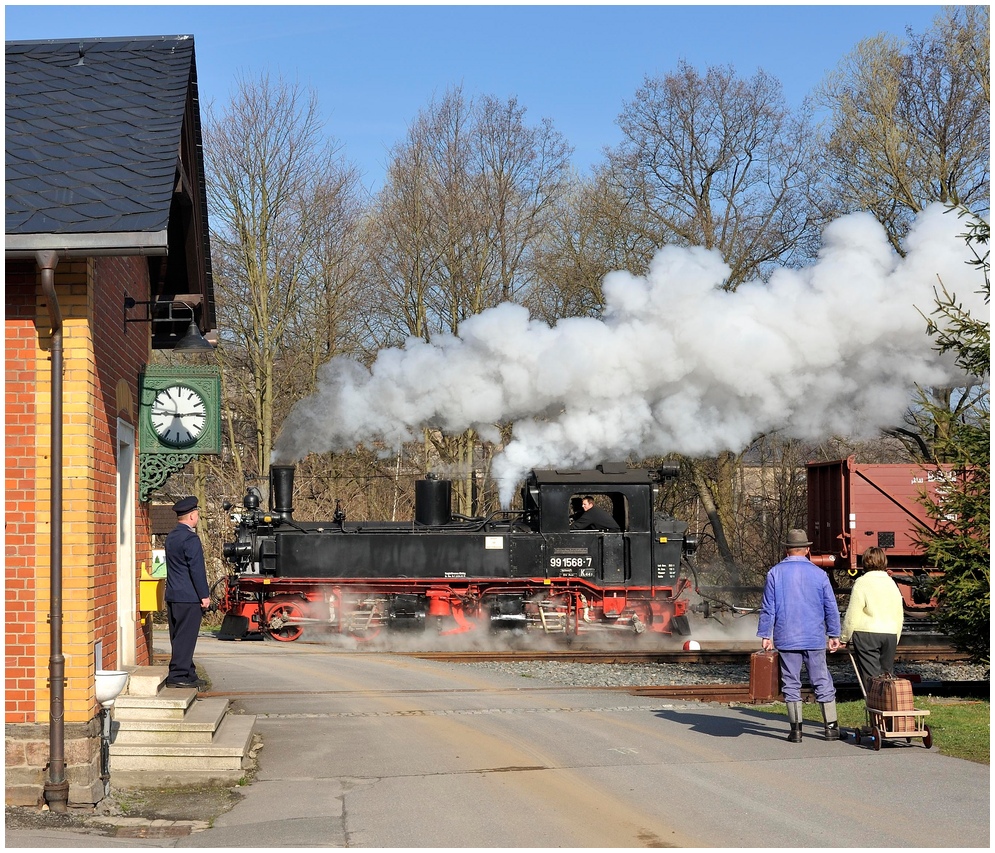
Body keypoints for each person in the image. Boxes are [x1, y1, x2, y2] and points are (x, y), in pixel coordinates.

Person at [757, 528, 843, 743]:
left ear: (787, 550)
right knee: (821, 680)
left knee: (791, 683)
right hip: (814, 637)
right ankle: (831, 728)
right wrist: (834, 633)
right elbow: (830, 607)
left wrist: (765, 634)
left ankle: (796, 731)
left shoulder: (774, 573)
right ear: (806, 549)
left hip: (787, 636)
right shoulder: (819, 574)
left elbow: (768, 607)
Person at [840, 546, 905, 689]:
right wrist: (896, 637)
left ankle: (875, 707)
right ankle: (888, 705)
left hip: (866, 634)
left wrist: (844, 638)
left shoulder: (861, 583)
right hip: (890, 634)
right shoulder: (892, 583)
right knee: (887, 677)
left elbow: (852, 614)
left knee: (872, 679)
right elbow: (899, 614)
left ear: (865, 563)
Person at [164, 496, 210, 688]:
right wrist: (204, 595)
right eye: (197, 514)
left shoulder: (171, 537)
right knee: (186, 637)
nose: (198, 517)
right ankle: (179, 674)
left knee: (178, 636)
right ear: (192, 516)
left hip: (173, 594)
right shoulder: (190, 539)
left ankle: (188, 671)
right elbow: (196, 569)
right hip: (189, 597)